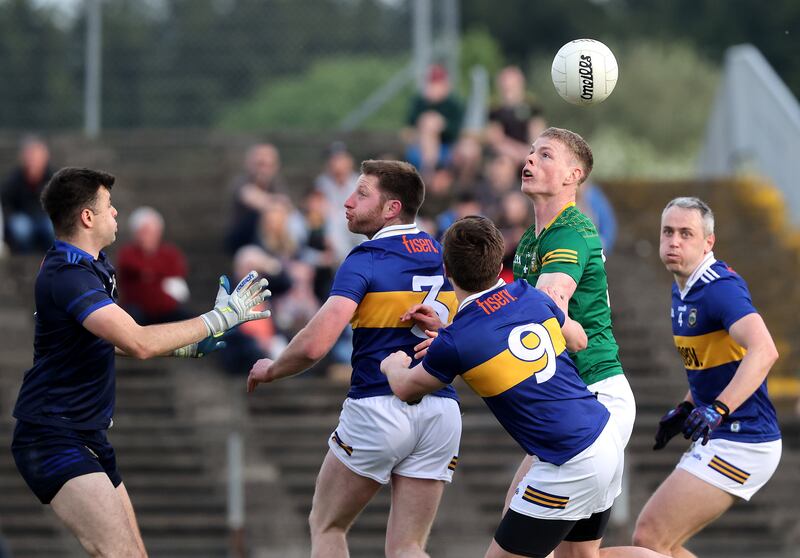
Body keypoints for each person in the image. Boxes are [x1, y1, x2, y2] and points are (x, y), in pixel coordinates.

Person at [11, 167, 272, 557]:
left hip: (87, 435)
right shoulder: (69, 275)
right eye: (109, 206)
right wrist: (221, 318)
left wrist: (187, 346)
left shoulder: (94, 266)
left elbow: (113, 339)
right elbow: (137, 342)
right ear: (87, 217)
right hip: (53, 435)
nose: (115, 213)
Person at [381, 216, 663, 558]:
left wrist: (392, 364)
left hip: (568, 460)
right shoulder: (528, 295)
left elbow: (407, 389)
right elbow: (578, 339)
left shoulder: (457, 340)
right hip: (605, 439)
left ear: (447, 271)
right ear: (500, 265)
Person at [246, 160, 462, 558]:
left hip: (380, 404)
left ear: (391, 209)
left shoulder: (367, 258)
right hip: (440, 411)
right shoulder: (443, 254)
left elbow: (316, 344)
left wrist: (274, 367)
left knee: (327, 525)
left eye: (362, 194)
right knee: (408, 547)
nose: (346, 202)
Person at [631, 197, 782, 557]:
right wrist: (686, 406)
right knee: (662, 543)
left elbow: (765, 351)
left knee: (649, 537)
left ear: (708, 242)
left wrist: (718, 408)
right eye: (668, 232)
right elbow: (712, 361)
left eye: (686, 233)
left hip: (744, 439)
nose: (674, 242)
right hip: (726, 434)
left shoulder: (719, 288)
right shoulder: (682, 285)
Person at [116, 206, 192, 325]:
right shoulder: (127, 253)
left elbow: (178, 271)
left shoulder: (169, 253)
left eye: (151, 231)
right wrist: (156, 274)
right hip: (137, 307)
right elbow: (132, 268)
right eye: (144, 232)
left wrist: (149, 274)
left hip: (166, 308)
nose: (148, 236)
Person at [225, 143, 289, 253]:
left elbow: (288, 207)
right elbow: (252, 198)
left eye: (269, 165)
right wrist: (277, 205)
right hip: (242, 240)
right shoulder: (241, 182)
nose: (264, 170)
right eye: (260, 164)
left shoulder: (276, 185)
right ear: (249, 164)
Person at [1, 135, 55, 253]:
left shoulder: (53, 178)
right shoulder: (15, 179)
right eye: (30, 156)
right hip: (22, 217)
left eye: (36, 156)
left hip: (45, 217)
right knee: (21, 228)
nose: (33, 160)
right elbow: (5, 202)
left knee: (52, 226)